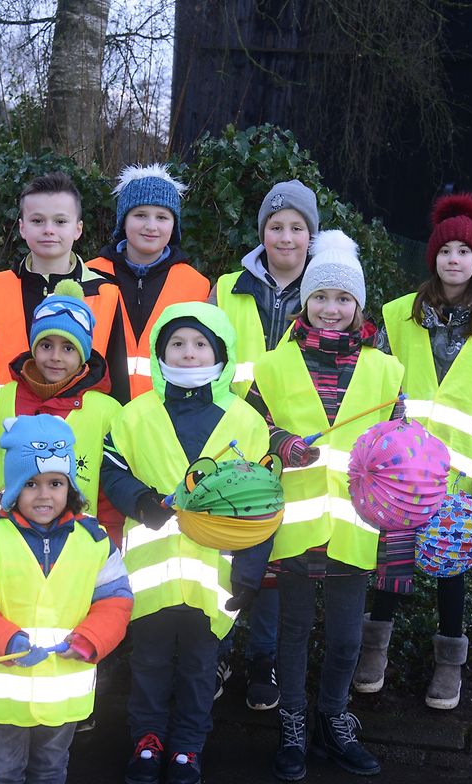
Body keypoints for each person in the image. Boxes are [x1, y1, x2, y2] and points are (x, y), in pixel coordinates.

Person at [246, 230, 404, 782]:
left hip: (356, 526)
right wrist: (282, 443)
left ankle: (334, 719)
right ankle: (292, 723)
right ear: (304, 301)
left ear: (358, 305)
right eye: (319, 297)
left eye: (342, 298)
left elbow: (399, 444)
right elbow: (251, 428)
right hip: (295, 525)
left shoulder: (386, 370)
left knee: (345, 637)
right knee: (292, 632)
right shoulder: (274, 365)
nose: (330, 309)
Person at [353, 193, 472, 710]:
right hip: (400, 475)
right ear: (433, 258)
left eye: (464, 252)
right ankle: (374, 651)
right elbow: (374, 386)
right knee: (391, 565)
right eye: (445, 250)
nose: (454, 259)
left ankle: (449, 665)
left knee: (453, 574)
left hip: (461, 482)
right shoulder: (399, 315)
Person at [101, 302, 272, 784]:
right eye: (177, 343)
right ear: (160, 352)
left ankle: (188, 746)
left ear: (221, 353)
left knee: (200, 668)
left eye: (201, 344)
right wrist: (142, 502)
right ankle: (147, 740)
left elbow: (263, 502)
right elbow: (113, 469)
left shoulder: (246, 420)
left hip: (214, 577)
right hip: (149, 573)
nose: (189, 353)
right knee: (149, 662)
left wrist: (249, 574)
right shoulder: (134, 415)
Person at [0, 414, 132, 784]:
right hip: (1, 697)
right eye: (31, 484)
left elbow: (116, 601)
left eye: (55, 483)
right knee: (2, 774)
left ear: (70, 487)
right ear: (14, 487)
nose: (44, 494)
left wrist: (90, 639)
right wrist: (7, 641)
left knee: (51, 772)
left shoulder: (96, 542)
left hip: (62, 695)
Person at [207, 179, 320, 710]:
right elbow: (203, 354)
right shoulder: (228, 287)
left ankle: (264, 660)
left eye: (297, 227)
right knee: (225, 547)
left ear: (311, 234)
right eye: (276, 226)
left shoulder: (323, 290)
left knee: (278, 553)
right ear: (262, 232)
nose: (286, 237)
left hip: (293, 445)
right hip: (230, 439)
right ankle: (217, 651)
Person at [0, 282, 123, 541]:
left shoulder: (106, 411)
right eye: (46, 345)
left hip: (74, 546)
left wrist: (109, 545)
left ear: (84, 354)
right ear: (33, 347)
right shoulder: (1, 397)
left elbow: (111, 492)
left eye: (68, 348)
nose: (55, 357)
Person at [0, 171, 122, 385]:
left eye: (60, 221)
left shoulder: (105, 292)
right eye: (37, 220)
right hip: (6, 406)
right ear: (22, 228)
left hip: (81, 407)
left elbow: (116, 379)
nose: (48, 230)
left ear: (78, 229)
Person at [86, 164, 210, 403]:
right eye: (140, 215)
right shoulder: (89, 275)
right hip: (96, 407)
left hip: (165, 412)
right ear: (123, 221)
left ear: (174, 225)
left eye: (162, 217)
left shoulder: (196, 285)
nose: (151, 226)